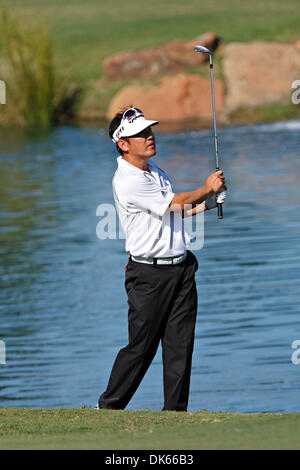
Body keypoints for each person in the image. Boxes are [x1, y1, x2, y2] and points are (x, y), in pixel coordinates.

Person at [97, 107, 226, 411]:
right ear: (123, 143)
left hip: (181, 269)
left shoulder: (155, 171)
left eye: (149, 130)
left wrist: (208, 204)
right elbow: (177, 201)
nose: (149, 136)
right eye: (140, 134)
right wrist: (206, 187)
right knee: (141, 347)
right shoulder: (127, 179)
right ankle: (109, 408)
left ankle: (175, 414)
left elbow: (176, 210)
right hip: (148, 276)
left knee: (180, 346)